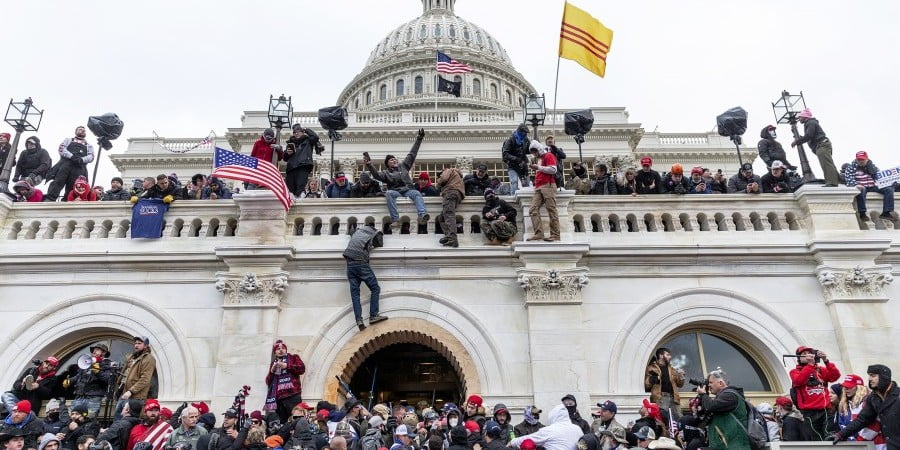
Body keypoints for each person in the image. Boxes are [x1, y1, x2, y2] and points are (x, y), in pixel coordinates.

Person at [364, 129, 429, 228]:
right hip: (396, 191)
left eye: (395, 159)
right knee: (389, 193)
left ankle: (422, 214)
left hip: (408, 190)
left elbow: (412, 153)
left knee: (416, 193)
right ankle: (395, 219)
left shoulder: (404, 166)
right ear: (387, 164)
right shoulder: (386, 173)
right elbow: (377, 176)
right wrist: (369, 165)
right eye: (391, 160)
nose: (394, 160)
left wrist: (419, 139)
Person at [833, 365, 898, 447]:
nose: (869, 379)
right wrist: (840, 435)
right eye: (869, 375)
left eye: (873, 375)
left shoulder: (898, 395)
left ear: (884, 377)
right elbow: (862, 420)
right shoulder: (873, 397)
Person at [788, 345, 840, 441]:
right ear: (799, 358)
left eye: (809, 353)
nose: (808, 355)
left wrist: (826, 361)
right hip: (809, 411)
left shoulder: (820, 370)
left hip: (825, 408)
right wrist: (810, 366)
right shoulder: (794, 371)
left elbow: (835, 376)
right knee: (817, 437)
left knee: (830, 435)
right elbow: (799, 381)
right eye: (804, 354)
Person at [342, 224, 386, 331]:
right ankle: (373, 315)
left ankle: (359, 320)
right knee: (375, 288)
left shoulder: (357, 232)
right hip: (360, 263)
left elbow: (351, 232)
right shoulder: (373, 232)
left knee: (355, 295)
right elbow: (380, 243)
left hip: (349, 265)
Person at [695, 369, 750, 450]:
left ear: (720, 383)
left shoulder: (730, 395)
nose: (708, 385)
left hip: (736, 446)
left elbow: (711, 406)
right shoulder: (721, 398)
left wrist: (703, 394)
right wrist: (701, 398)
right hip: (724, 446)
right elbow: (703, 416)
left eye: (711, 382)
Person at [791, 109, 840, 186]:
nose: (799, 119)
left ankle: (832, 183)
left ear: (805, 117)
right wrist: (798, 136)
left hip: (822, 145)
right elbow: (810, 136)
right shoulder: (811, 123)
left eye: (800, 117)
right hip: (822, 145)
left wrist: (797, 142)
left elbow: (809, 136)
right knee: (828, 163)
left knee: (826, 164)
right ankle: (838, 180)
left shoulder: (810, 123)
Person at [45, 127, 95, 202]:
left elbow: (91, 156)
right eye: (80, 129)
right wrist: (71, 156)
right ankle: (50, 199)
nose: (83, 131)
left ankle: (67, 200)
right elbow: (61, 149)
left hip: (79, 167)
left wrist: (82, 159)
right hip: (66, 164)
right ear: (76, 131)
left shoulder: (89, 145)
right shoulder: (68, 140)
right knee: (58, 181)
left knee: (74, 185)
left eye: (84, 130)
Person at [64, 343, 114, 417]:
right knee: (73, 418)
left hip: (93, 398)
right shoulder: (87, 362)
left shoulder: (108, 365)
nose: (94, 351)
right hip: (80, 396)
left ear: (103, 352)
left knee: (89, 419)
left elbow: (108, 379)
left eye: (97, 350)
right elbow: (79, 376)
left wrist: (98, 372)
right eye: (93, 350)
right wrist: (70, 381)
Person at [843, 151, 894, 221]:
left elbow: (880, 177)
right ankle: (862, 213)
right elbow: (848, 177)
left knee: (889, 189)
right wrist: (856, 184)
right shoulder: (851, 167)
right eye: (859, 159)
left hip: (872, 186)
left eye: (862, 159)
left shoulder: (873, 166)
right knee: (862, 190)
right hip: (861, 186)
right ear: (856, 159)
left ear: (867, 159)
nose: (860, 161)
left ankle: (886, 212)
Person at [115, 337, 156, 421]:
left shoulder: (148, 358)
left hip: (135, 397)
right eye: (135, 343)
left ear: (146, 345)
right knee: (117, 421)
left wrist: (131, 391)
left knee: (126, 422)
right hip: (123, 394)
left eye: (139, 343)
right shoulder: (133, 357)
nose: (136, 345)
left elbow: (145, 379)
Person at [265, 341, 307, 423]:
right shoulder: (273, 363)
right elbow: (268, 382)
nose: (281, 350)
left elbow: (301, 369)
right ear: (275, 352)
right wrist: (272, 371)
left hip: (293, 395)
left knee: (296, 420)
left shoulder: (293, 357)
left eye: (283, 348)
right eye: (278, 349)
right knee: (282, 422)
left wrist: (287, 366)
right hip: (279, 399)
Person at [527, 140, 560, 242]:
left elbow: (553, 169)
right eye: (532, 152)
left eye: (535, 151)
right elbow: (543, 170)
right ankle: (539, 233)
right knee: (533, 209)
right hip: (539, 187)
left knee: (551, 209)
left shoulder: (548, 155)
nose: (534, 154)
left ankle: (555, 235)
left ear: (539, 149)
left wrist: (539, 167)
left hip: (548, 185)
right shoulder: (540, 159)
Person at [508, 405, 583, 450]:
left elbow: (530, 438)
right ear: (527, 414)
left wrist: (512, 442)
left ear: (553, 416)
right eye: (534, 414)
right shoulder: (577, 428)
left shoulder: (547, 429)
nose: (537, 416)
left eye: (537, 414)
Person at [835, 374, 883, 444]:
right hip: (852, 444)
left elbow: (875, 425)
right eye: (844, 387)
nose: (846, 389)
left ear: (859, 388)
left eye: (849, 386)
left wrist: (858, 442)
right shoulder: (844, 405)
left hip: (871, 444)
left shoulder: (868, 402)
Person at [284, 124, 324, 198]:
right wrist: (287, 153)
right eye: (294, 132)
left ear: (302, 132)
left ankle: (300, 199)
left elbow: (315, 137)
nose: (296, 133)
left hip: (303, 166)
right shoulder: (290, 143)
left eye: (298, 131)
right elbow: (285, 158)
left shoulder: (308, 141)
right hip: (291, 168)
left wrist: (306, 129)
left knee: (300, 187)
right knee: (290, 189)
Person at [644, 348, 685, 420]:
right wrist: (653, 379)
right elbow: (647, 384)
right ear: (661, 355)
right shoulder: (651, 368)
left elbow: (679, 384)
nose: (670, 357)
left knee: (679, 419)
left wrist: (681, 376)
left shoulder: (671, 368)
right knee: (662, 419)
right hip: (661, 398)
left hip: (673, 398)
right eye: (668, 354)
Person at [436, 167, 465, 248]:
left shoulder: (448, 170)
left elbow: (443, 179)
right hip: (456, 194)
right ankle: (449, 236)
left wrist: (438, 183)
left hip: (450, 192)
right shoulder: (457, 175)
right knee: (442, 218)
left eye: (440, 174)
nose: (440, 176)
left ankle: (452, 238)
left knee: (449, 215)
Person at [501, 125, 531, 195]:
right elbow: (505, 153)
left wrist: (534, 147)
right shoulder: (510, 140)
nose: (525, 134)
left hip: (522, 166)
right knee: (514, 181)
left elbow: (528, 150)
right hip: (512, 165)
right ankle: (513, 197)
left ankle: (527, 196)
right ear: (520, 131)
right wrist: (516, 159)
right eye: (524, 132)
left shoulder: (525, 139)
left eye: (526, 133)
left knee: (526, 182)